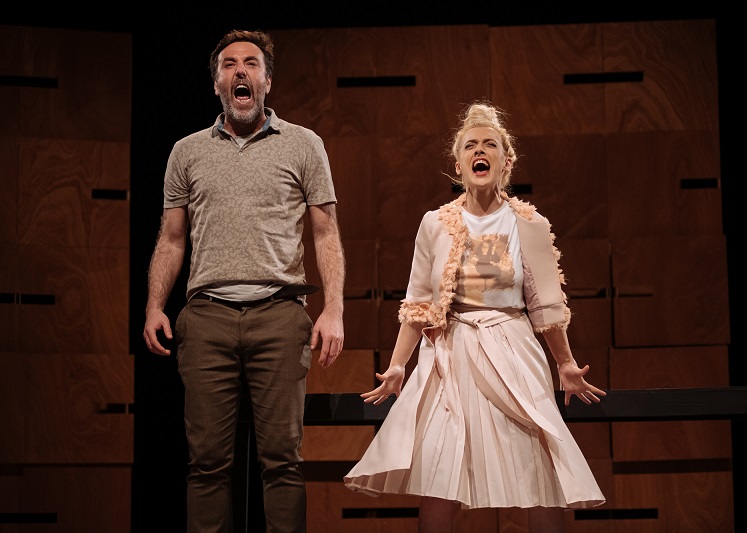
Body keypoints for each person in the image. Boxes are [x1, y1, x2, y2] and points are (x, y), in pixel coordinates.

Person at [344, 102, 606, 532]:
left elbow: (547, 303)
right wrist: (397, 365)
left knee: (537, 467)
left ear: (507, 161)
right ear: (458, 164)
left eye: (489, 145)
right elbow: (418, 303)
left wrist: (565, 363)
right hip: (452, 349)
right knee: (441, 469)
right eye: (470, 146)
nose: (479, 151)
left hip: (513, 346)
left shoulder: (530, 223)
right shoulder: (435, 223)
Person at [143, 29, 345, 533]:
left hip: (279, 316)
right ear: (217, 83)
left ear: (267, 81)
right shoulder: (186, 151)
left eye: (251, 63)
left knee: (283, 461)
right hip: (206, 318)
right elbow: (171, 239)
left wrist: (334, 309)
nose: (240, 71)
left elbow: (326, 233)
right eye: (229, 64)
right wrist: (154, 305)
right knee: (207, 463)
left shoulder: (303, 144)